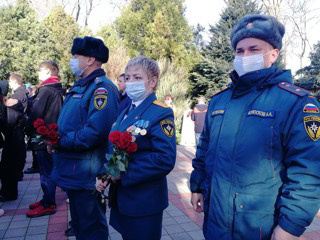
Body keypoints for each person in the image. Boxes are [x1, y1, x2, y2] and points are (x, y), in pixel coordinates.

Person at [190, 14, 320, 240]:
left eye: (254, 49)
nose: (245, 56)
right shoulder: (219, 101)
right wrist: (197, 185)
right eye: (240, 51)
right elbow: (205, 148)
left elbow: (308, 171)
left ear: (274, 54)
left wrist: (290, 226)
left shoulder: (296, 103)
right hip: (216, 221)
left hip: (260, 227)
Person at [96, 56, 176, 240]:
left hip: (144, 201)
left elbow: (164, 159)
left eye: (137, 78)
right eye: (128, 77)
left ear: (152, 81)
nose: (131, 82)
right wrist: (105, 174)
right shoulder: (127, 110)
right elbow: (114, 149)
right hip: (124, 197)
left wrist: (122, 173)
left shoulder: (160, 112)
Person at [51, 36, 119, 240]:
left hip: (87, 173)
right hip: (74, 170)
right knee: (81, 227)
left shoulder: (102, 89)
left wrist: (60, 141)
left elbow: (94, 133)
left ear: (90, 59)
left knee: (92, 229)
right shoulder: (81, 86)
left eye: (75, 56)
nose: (72, 60)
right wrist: (53, 138)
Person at [26, 61, 65, 218]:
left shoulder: (46, 90)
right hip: (50, 135)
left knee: (46, 172)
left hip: (43, 137)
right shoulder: (54, 89)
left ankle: (48, 203)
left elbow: (36, 113)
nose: (38, 74)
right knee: (48, 169)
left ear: (49, 73)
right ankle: (46, 199)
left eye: (40, 71)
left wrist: (26, 128)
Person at [0, 80, 25, 201]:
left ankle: (9, 193)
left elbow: (7, 123)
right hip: (16, 138)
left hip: (12, 139)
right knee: (9, 167)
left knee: (7, 168)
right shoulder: (15, 102)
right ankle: (9, 192)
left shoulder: (6, 105)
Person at [8, 73, 29, 181]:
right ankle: (18, 173)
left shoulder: (17, 95)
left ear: (15, 82)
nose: (9, 84)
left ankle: (17, 174)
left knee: (16, 154)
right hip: (20, 128)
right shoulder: (22, 93)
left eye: (10, 82)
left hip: (16, 128)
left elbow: (13, 115)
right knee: (20, 153)